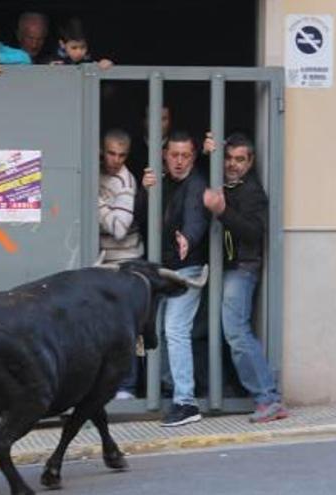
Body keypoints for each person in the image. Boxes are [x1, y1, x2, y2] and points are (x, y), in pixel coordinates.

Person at [202, 133, 287, 423]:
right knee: (219, 331)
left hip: (241, 267)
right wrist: (207, 155)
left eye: (240, 159)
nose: (232, 165)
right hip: (219, 266)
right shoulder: (221, 183)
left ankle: (268, 398)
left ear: (250, 162)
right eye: (228, 158)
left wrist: (223, 211)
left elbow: (254, 232)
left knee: (236, 332)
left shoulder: (252, 192)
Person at [149, 131, 210, 427]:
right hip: (163, 269)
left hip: (187, 270)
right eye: (174, 154)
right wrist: (144, 191)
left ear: (194, 157)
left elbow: (196, 215)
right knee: (160, 330)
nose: (179, 161)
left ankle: (186, 402)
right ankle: (170, 386)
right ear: (164, 154)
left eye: (185, 155)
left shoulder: (196, 182)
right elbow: (143, 217)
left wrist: (189, 237)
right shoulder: (162, 181)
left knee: (174, 330)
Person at [98, 129, 145, 399]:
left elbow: (118, 227)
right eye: (111, 153)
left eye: (122, 155)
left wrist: (96, 203)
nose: (115, 160)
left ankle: (127, 387)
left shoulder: (126, 183)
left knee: (126, 329)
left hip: (126, 263)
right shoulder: (92, 169)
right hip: (102, 264)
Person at [47, 17, 112, 70]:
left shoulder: (89, 58)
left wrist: (104, 63)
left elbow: (98, 64)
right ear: (62, 44)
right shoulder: (53, 59)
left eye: (83, 47)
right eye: (74, 48)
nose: (79, 52)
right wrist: (49, 69)